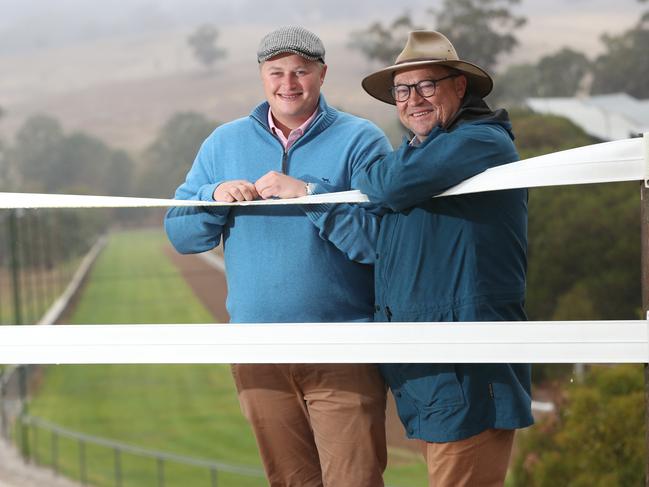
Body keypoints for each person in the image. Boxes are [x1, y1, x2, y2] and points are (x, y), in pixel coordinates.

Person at [164, 26, 391, 487]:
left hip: (342, 350)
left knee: (355, 481)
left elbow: (380, 242)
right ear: (262, 76)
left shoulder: (361, 140)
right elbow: (181, 233)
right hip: (257, 352)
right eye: (277, 72)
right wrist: (214, 196)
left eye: (301, 72)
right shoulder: (223, 143)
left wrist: (311, 195)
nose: (289, 83)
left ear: (322, 74)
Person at [355, 30, 534, 486]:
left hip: (466, 365)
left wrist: (326, 186)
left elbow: (386, 184)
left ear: (460, 87)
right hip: (430, 363)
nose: (413, 99)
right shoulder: (421, 154)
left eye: (427, 85)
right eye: (402, 89)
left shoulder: (481, 141)